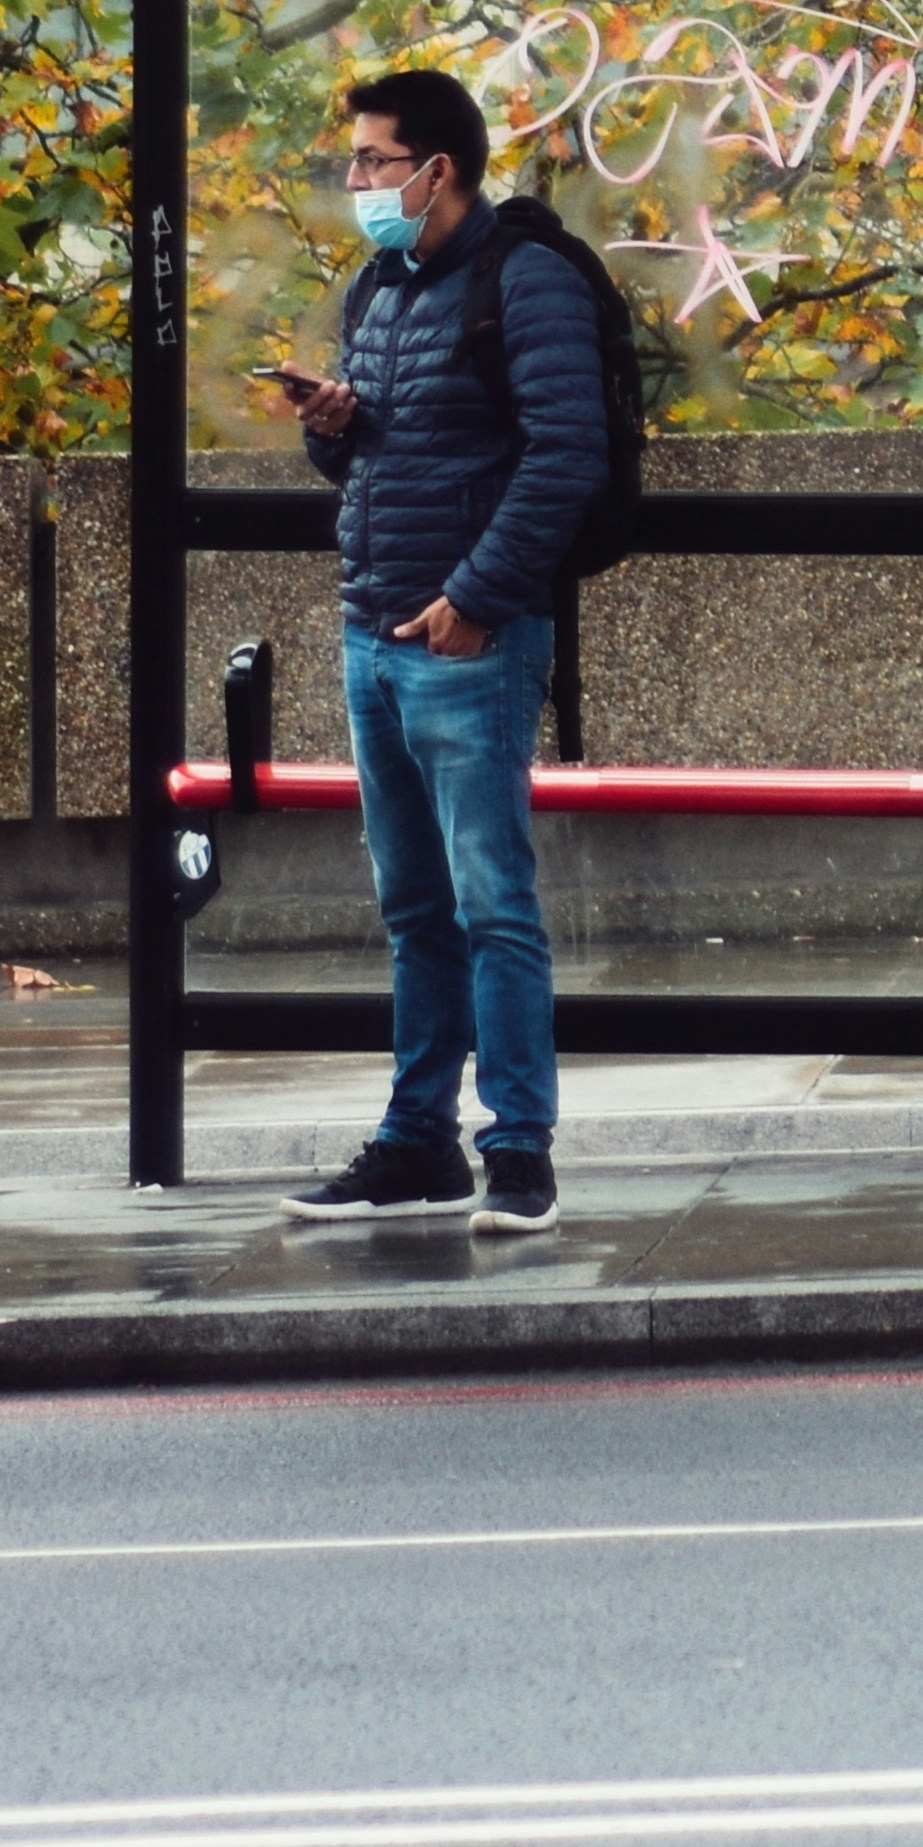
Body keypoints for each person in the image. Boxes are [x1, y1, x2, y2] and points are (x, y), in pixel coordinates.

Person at [267, 68, 612, 1243]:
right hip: (375, 627)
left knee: (491, 903)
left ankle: (517, 1150)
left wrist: (476, 596)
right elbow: (389, 459)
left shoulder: (530, 280)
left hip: (470, 638)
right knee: (415, 908)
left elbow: (569, 457)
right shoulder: (383, 283)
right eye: (355, 162)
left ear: (437, 170)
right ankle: (419, 1141)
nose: (356, 182)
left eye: (371, 161)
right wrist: (340, 426)